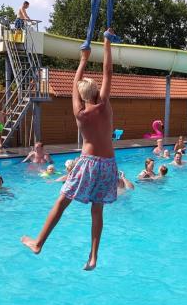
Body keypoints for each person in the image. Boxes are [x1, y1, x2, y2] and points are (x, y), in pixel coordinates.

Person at [21, 29, 119, 271]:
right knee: (98, 210)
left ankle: (38, 242)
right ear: (97, 93)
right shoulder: (104, 106)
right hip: (108, 164)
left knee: (62, 202)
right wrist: (106, 43)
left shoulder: (80, 114)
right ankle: (94, 256)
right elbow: (108, 72)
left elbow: (75, 87)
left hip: (88, 163)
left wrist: (82, 60)